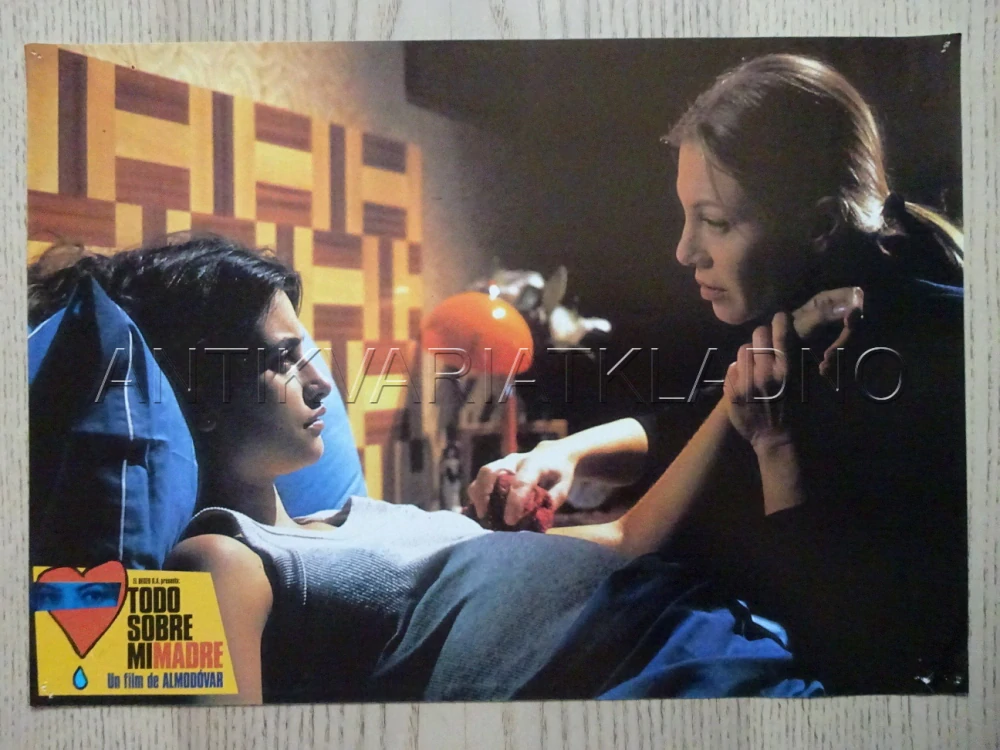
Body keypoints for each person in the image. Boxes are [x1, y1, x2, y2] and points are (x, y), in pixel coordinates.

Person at [28, 235, 850, 704]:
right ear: (202, 396)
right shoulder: (221, 560)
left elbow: (630, 536)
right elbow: (112, 660)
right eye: (282, 361)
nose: (323, 383)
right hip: (674, 687)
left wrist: (739, 395)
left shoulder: (372, 516)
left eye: (311, 351)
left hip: (719, 633)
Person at [469, 53, 966, 695]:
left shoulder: (910, 356)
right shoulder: (812, 309)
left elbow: (849, 649)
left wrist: (775, 448)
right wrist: (566, 453)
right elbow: (703, 428)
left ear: (818, 224)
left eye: (715, 222)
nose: (684, 251)